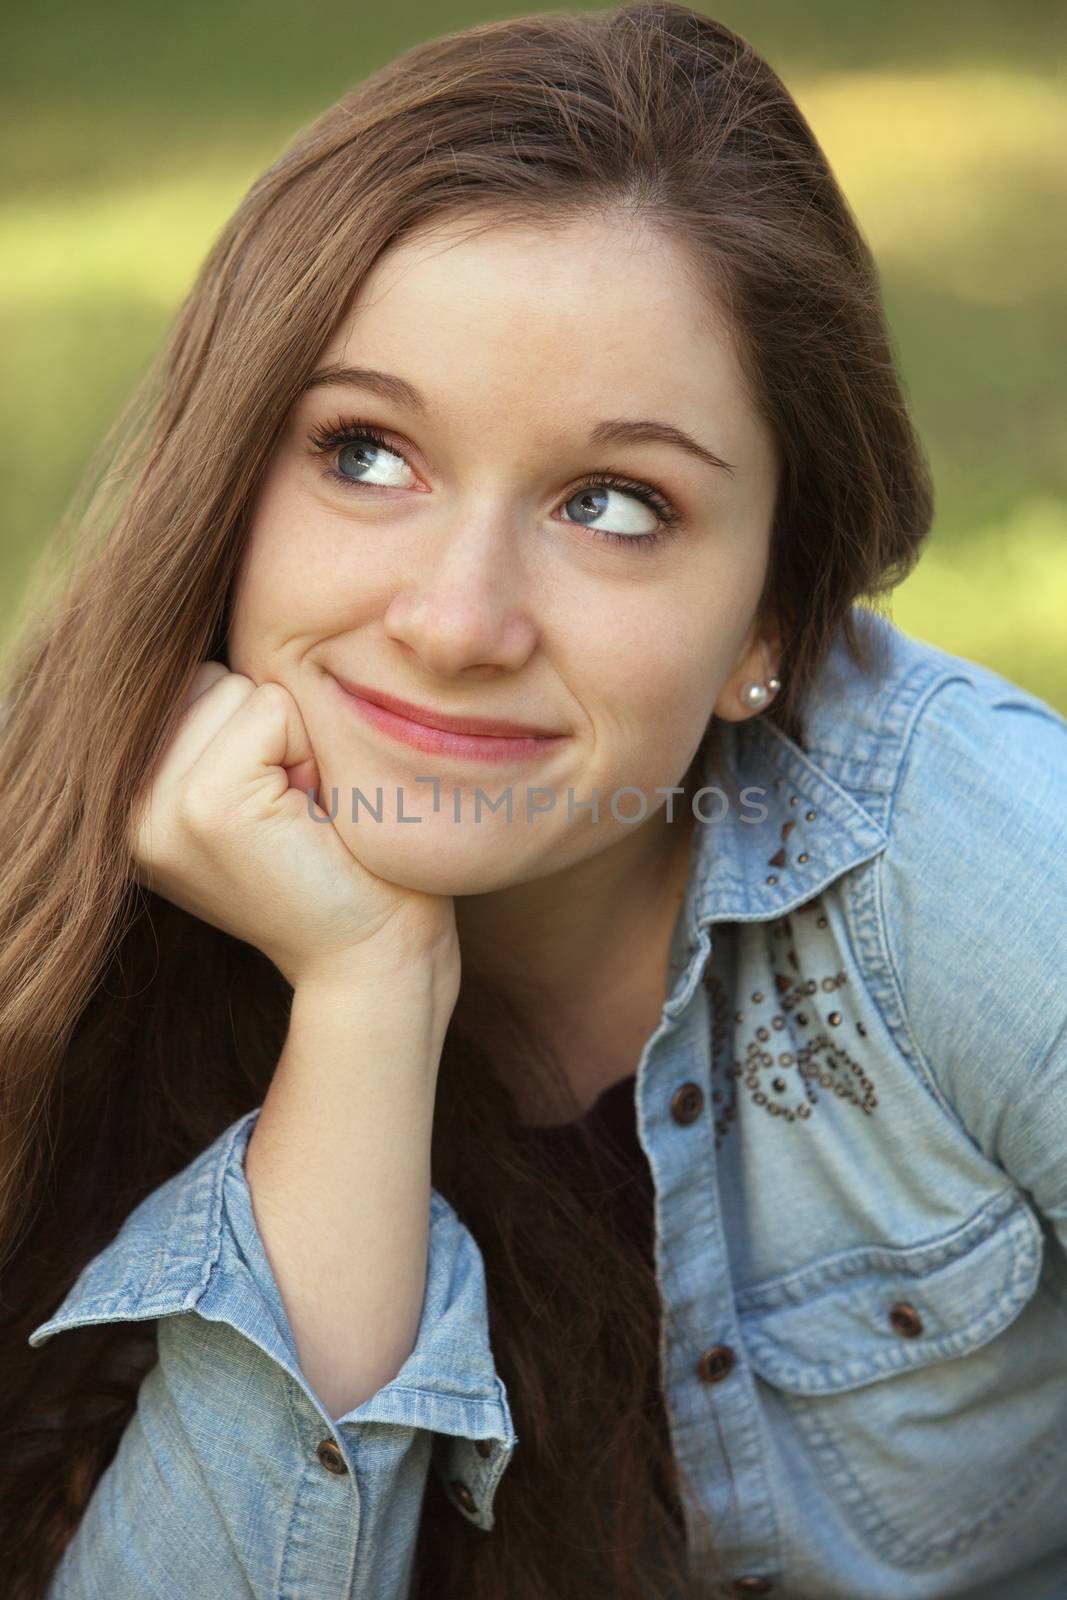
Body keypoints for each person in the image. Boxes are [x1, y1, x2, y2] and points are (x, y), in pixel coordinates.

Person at [1, 4, 1064, 1597]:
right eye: (366, 454)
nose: (455, 622)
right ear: (226, 481)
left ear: (770, 627)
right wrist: (365, 997)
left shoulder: (965, 857)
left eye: (615, 504)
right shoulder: (51, 932)